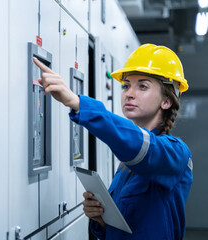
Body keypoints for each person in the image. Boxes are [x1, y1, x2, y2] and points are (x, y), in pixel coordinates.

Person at [33, 43, 193, 240]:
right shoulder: (126, 166)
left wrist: (78, 103)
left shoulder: (175, 153)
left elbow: (141, 146)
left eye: (142, 86)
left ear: (166, 101)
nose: (129, 93)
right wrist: (100, 220)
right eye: (126, 86)